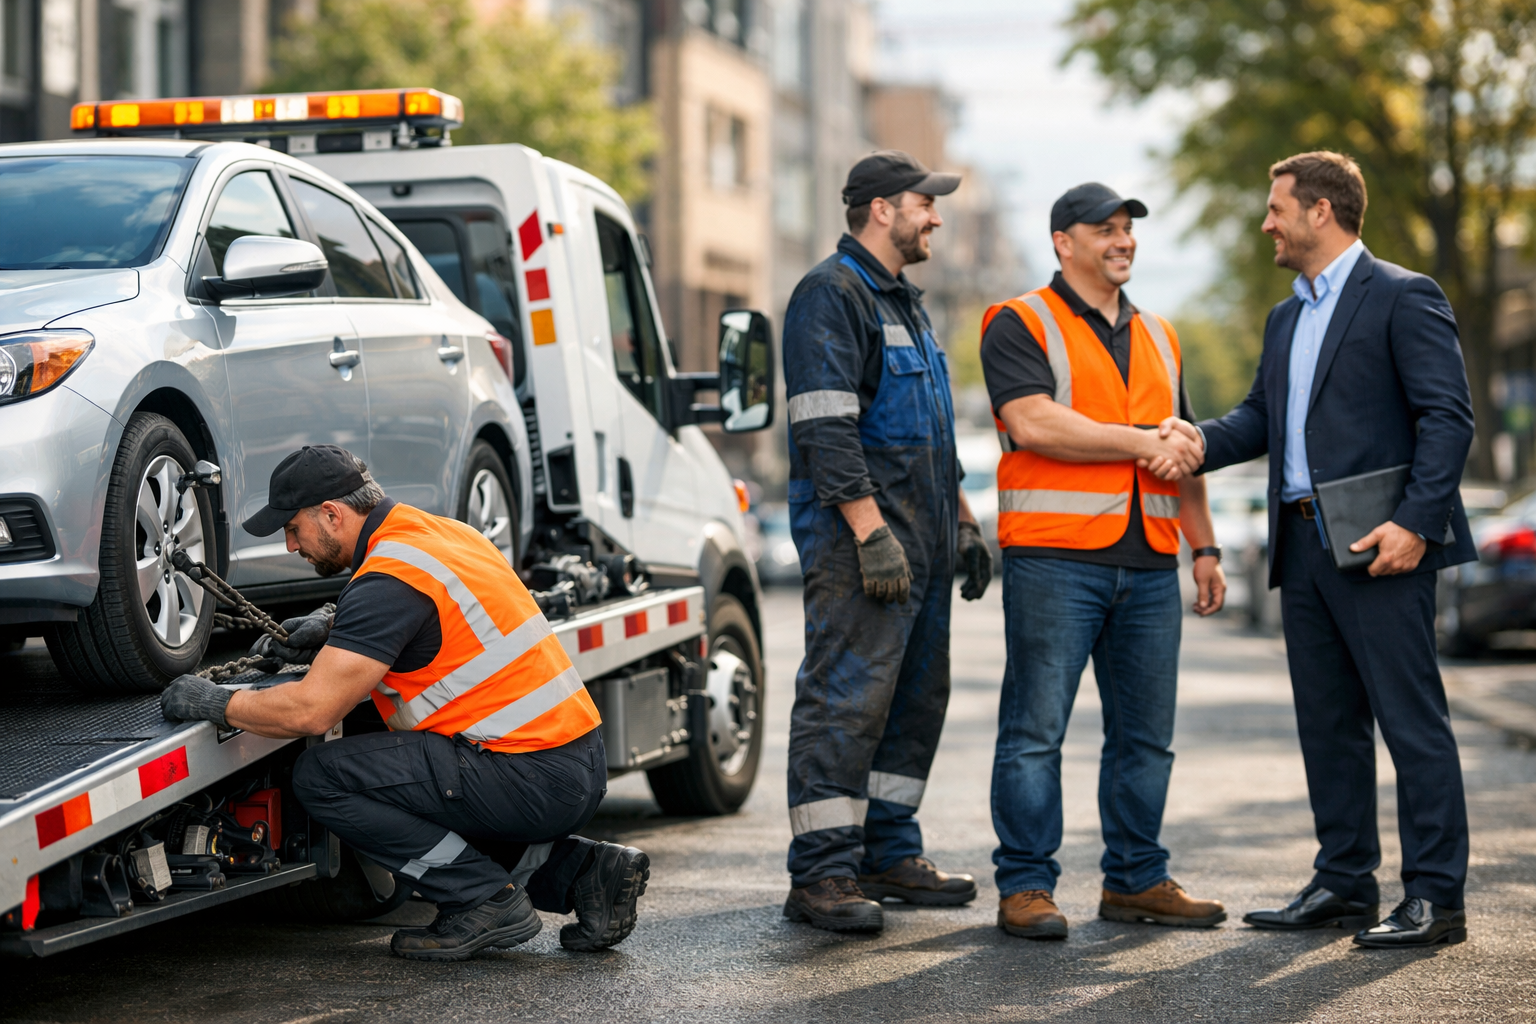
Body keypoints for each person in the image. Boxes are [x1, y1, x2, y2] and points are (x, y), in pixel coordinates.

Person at [160, 445, 649, 961]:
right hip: (572, 761)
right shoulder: (441, 533)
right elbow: (419, 611)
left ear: (332, 513)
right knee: (408, 781)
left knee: (322, 777)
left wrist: (214, 702)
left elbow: (311, 711)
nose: (289, 544)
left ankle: (480, 900)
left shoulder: (388, 581)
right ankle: (587, 875)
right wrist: (330, 624)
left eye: (293, 527)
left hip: (531, 774)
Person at [1196, 152, 1475, 948]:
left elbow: (1447, 419)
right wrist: (1193, 441)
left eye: (1277, 206)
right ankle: (1345, 882)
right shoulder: (1286, 316)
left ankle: (1435, 899)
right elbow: (1259, 418)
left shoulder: (1402, 294)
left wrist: (1416, 524)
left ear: (1321, 211)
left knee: (1411, 723)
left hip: (1383, 542)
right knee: (1329, 724)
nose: (1266, 222)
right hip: (1303, 547)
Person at [980, 182, 1227, 942]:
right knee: (1035, 729)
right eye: (1105, 229)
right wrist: (1138, 438)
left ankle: (1136, 880)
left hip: (1151, 563)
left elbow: (1181, 448)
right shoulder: (1020, 321)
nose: (1122, 241)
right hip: (1056, 560)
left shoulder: (1161, 334)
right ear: (1064, 241)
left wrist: (1205, 545)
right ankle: (1025, 885)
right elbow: (1032, 421)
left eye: (1128, 230)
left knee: (1147, 736)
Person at [779, 150, 993, 933]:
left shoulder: (905, 303)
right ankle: (823, 873)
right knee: (846, 702)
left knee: (913, 700)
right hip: (861, 546)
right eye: (923, 203)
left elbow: (933, 437)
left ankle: (888, 849)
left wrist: (965, 521)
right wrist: (871, 536)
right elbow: (826, 430)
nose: (934, 215)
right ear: (880, 209)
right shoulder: (831, 297)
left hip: (924, 542)